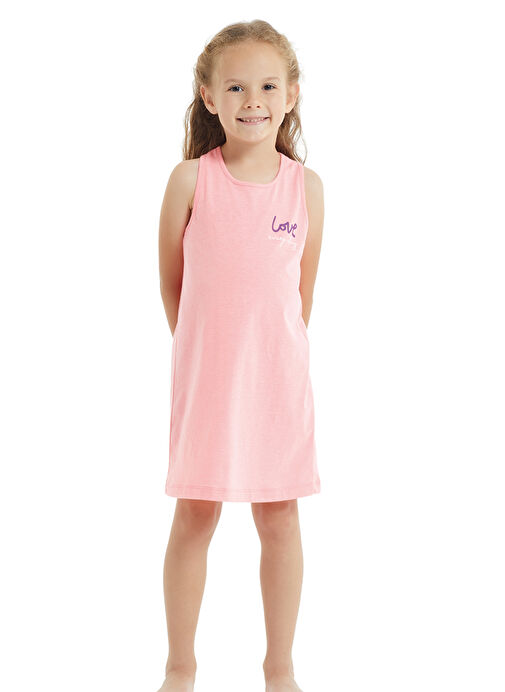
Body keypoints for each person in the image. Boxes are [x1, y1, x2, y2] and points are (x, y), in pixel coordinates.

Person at [157, 19, 324, 692]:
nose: (252, 100)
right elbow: (173, 284)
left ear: (290, 95)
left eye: (267, 86)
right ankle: (180, 666)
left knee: (279, 517)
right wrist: (208, 353)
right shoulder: (189, 180)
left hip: (278, 385)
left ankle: (279, 668)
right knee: (195, 514)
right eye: (235, 87)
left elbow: (300, 295)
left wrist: (266, 360)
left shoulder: (306, 188)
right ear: (208, 96)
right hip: (208, 381)